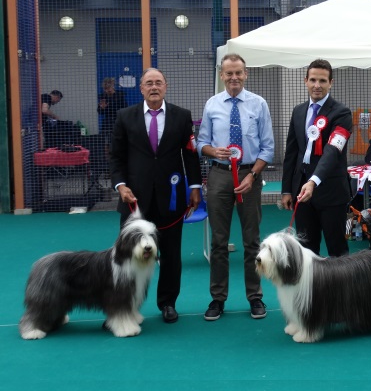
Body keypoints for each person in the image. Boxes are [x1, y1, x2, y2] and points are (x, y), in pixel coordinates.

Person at [110, 68, 202, 324]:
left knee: (171, 255)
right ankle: (124, 306)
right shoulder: (124, 117)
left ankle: (168, 304)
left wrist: (195, 187)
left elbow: (190, 154)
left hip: (171, 200)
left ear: (166, 86)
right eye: (148, 83)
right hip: (134, 201)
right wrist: (120, 185)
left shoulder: (182, 117)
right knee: (127, 256)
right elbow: (116, 156)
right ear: (141, 88)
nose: (154, 87)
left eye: (158, 83)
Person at [197, 53, 274, 321]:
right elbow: (200, 143)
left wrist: (253, 175)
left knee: (252, 241)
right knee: (218, 241)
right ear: (221, 75)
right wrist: (211, 151)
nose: (234, 78)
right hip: (219, 175)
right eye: (229, 73)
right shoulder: (212, 104)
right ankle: (218, 299)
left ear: (246, 74)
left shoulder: (259, 104)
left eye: (238, 73)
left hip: (249, 175)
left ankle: (255, 297)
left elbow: (269, 148)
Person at [281, 59, 353, 257]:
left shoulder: (342, 113)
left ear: (331, 82)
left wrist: (313, 181)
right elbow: (291, 152)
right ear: (305, 81)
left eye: (322, 81)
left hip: (331, 192)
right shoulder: (298, 111)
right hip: (302, 193)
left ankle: (342, 289)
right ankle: (311, 289)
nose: (317, 85)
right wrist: (287, 189)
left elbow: (332, 151)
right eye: (312, 80)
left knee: (337, 252)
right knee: (306, 253)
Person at [97, 78, 128, 175]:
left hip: (118, 121)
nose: (108, 90)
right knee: (106, 145)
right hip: (107, 122)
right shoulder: (103, 97)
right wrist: (102, 108)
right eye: (106, 89)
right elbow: (100, 112)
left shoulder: (120, 95)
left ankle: (121, 166)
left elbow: (125, 108)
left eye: (109, 87)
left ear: (113, 86)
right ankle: (108, 167)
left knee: (119, 143)